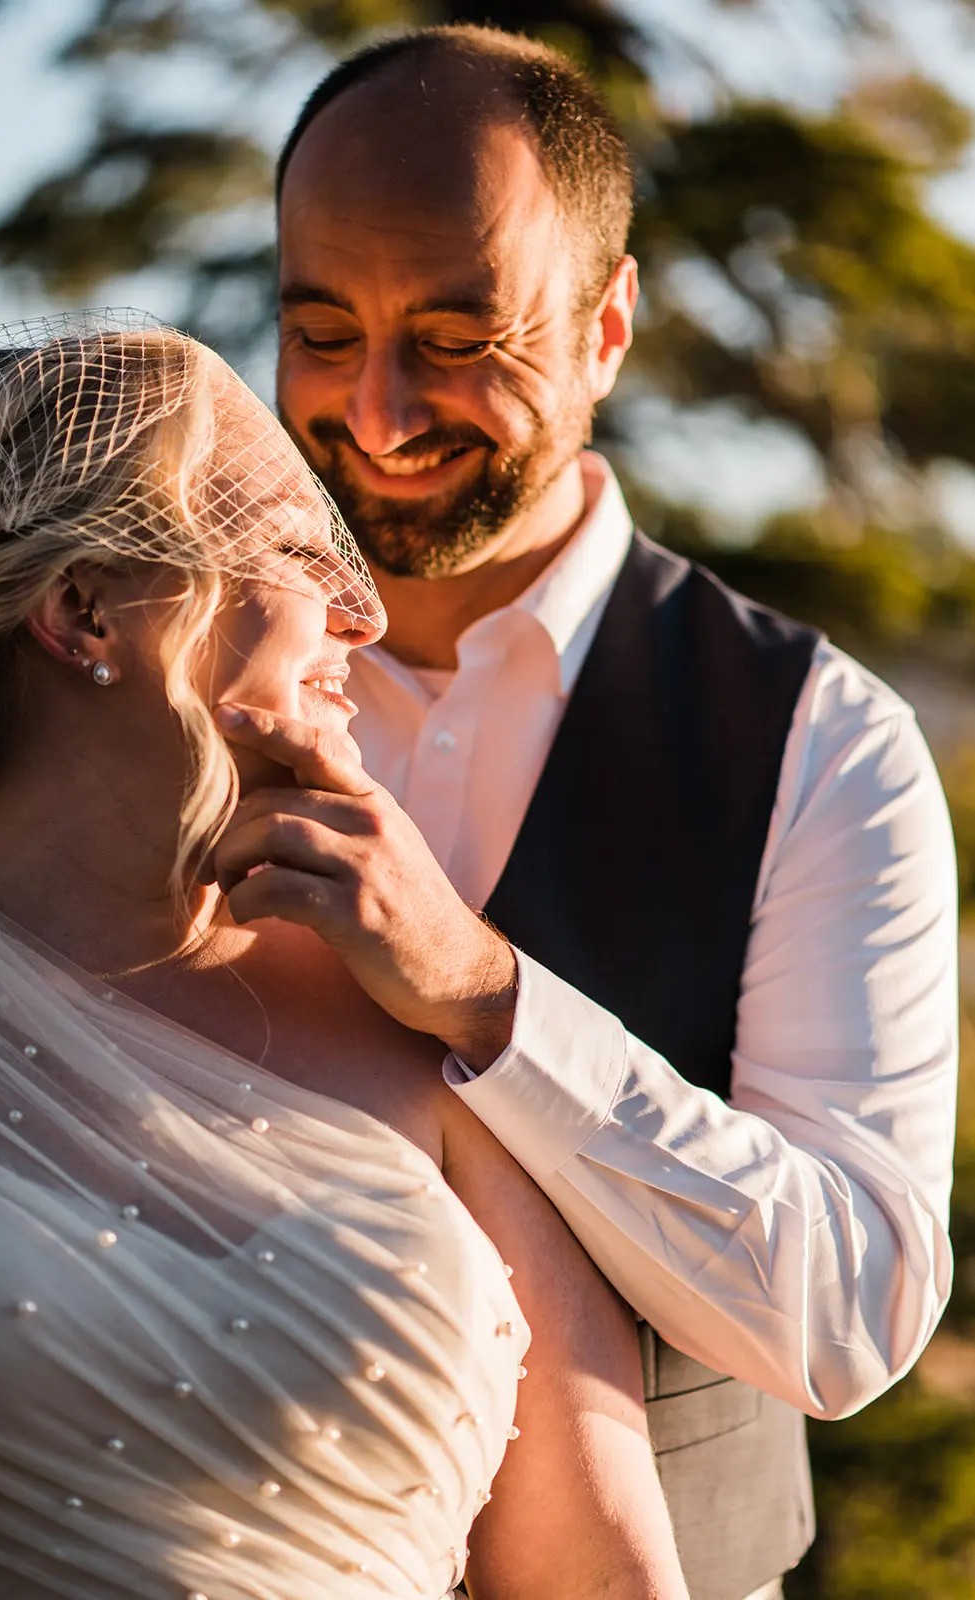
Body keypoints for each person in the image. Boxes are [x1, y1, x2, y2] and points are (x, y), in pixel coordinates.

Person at [227, 23, 959, 1600]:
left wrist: (488, 999)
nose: (377, 409)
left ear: (608, 325)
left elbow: (851, 1311)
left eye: (454, 332)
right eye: (318, 329)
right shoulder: (151, 688)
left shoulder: (822, 744)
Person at [0, 316, 691, 1600]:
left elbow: (609, 1581)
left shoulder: (410, 1020)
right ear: (81, 605)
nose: (360, 614)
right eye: (289, 546)